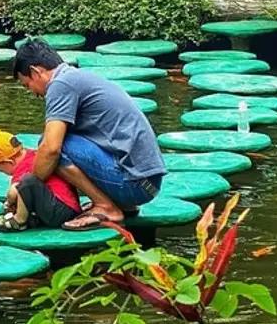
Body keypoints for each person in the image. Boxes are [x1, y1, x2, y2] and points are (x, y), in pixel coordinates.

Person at [12, 40, 166, 230]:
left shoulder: (60, 84)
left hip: (135, 184)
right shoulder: (77, 77)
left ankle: (106, 207)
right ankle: (119, 205)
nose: (33, 93)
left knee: (49, 144)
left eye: (28, 85)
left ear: (36, 72)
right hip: (147, 184)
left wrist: (26, 189)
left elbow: (51, 149)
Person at [0, 128, 81, 231]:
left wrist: (8, 202)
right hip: (68, 209)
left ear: (9, 162)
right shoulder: (34, 156)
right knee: (27, 188)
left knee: (26, 182)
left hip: (60, 211)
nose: (0, 172)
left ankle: (19, 221)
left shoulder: (24, 168)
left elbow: (14, 192)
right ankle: (33, 219)